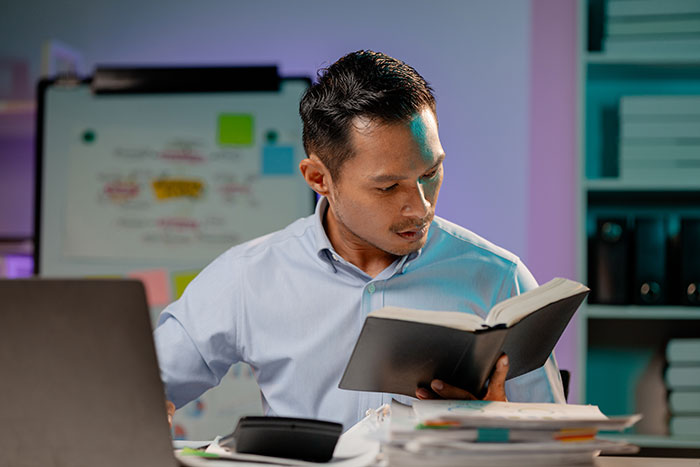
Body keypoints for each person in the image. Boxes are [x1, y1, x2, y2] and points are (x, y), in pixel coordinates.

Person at [154, 50, 566, 431]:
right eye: (388, 187)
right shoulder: (248, 276)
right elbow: (139, 389)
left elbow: (557, 444)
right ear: (319, 179)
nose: (419, 207)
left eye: (430, 174)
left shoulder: (500, 279)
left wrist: (498, 428)